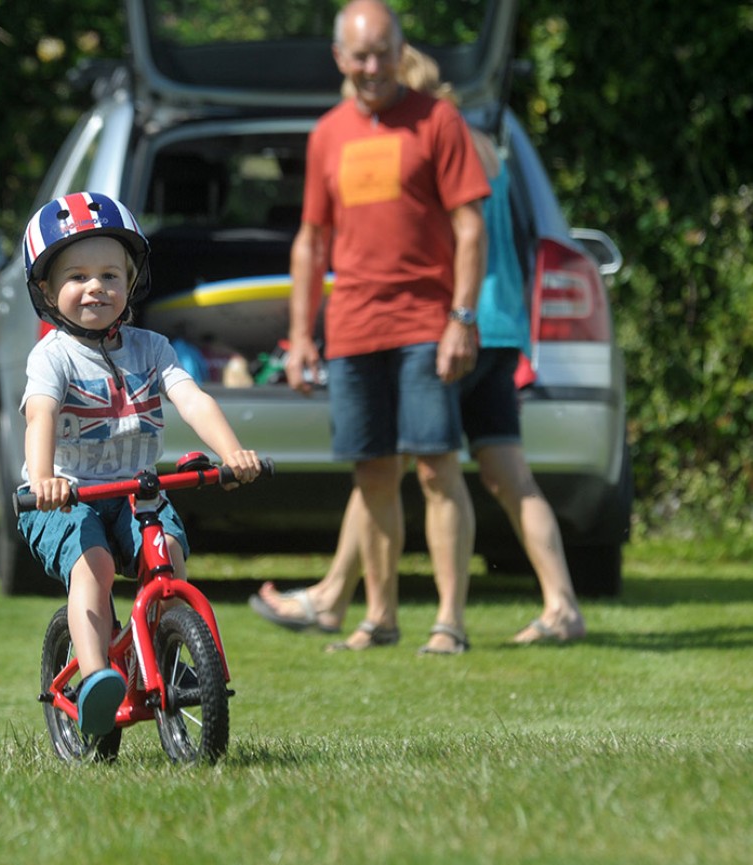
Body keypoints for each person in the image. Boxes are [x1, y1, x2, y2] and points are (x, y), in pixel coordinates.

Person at [250, 45, 585, 648]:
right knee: (507, 475)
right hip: (503, 326)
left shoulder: (432, 143)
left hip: (448, 328)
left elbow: (453, 235)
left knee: (396, 463)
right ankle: (561, 603)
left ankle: (338, 597)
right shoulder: (490, 149)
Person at [274, 0, 490, 654]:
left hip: (426, 321)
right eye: (358, 55)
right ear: (340, 59)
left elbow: (469, 226)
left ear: (400, 50)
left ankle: (449, 621)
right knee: (370, 475)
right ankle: (380, 616)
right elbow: (310, 241)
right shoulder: (327, 135)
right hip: (351, 328)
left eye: (381, 51)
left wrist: (461, 316)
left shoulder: (438, 120)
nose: (371, 66)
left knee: (434, 467)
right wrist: (302, 335)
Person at [16, 191, 262, 736]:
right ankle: (100, 676)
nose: (95, 287)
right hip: (66, 496)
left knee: (169, 555)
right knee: (95, 566)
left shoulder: (152, 349)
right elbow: (42, 417)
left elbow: (192, 398)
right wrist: (43, 480)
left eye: (110, 275)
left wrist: (231, 451)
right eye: (76, 276)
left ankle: (166, 651)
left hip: (134, 491)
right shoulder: (52, 356)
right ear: (47, 291)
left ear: (131, 284)